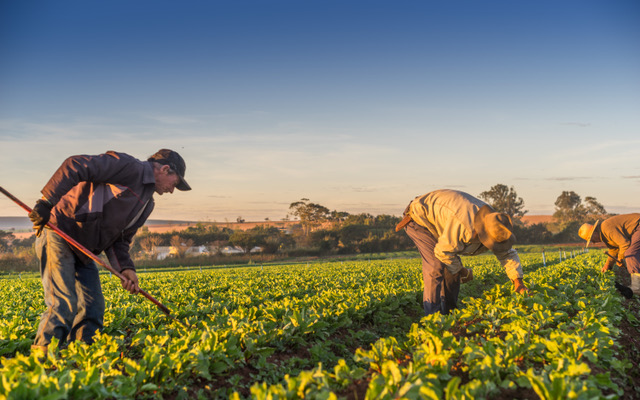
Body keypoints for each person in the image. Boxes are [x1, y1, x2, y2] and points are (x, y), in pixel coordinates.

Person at [28, 149, 191, 352]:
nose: (172, 191)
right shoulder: (129, 167)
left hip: (84, 250)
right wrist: (47, 202)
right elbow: (75, 165)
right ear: (166, 169)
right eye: (175, 184)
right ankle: (42, 358)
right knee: (64, 304)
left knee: (92, 307)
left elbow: (120, 239)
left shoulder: (147, 204)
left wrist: (125, 269)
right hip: (60, 232)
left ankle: (81, 356)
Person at [395, 189, 528, 316]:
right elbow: (443, 252)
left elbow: (508, 254)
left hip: (442, 224)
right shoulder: (464, 225)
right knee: (436, 266)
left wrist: (518, 283)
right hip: (419, 219)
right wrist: (462, 271)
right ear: (480, 234)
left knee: (451, 271)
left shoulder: (495, 224)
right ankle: (432, 319)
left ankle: (450, 314)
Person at [578, 214, 640, 293]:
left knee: (630, 253)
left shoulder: (606, 229)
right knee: (635, 254)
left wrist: (620, 258)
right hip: (636, 230)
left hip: (638, 226)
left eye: (591, 239)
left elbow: (625, 244)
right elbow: (613, 249)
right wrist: (608, 265)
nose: (593, 242)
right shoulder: (604, 234)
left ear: (594, 233)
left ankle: (637, 287)